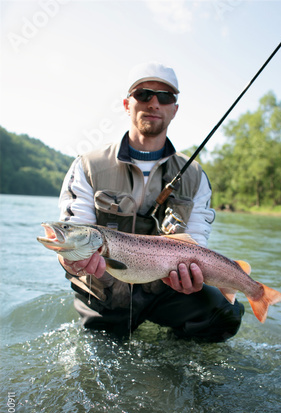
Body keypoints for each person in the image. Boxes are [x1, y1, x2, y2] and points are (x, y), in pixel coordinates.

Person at [58, 61, 244, 342]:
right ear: (126, 103)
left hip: (167, 293)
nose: (154, 103)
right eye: (143, 94)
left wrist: (191, 279)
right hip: (104, 293)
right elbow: (72, 236)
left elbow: (196, 245)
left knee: (225, 313)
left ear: (175, 109)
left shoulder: (195, 177)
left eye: (165, 96)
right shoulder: (87, 166)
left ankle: (177, 351)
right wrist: (70, 260)